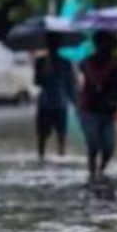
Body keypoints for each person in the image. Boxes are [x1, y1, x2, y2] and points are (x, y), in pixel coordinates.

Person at [79, 31, 117, 183]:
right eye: (104, 44)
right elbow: (95, 81)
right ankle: (92, 173)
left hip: (107, 111)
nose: (107, 48)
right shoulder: (87, 62)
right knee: (93, 144)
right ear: (97, 45)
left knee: (109, 147)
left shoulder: (116, 64)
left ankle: (100, 170)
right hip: (89, 110)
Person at [33, 33, 78, 162]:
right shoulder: (64, 62)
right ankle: (58, 158)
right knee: (59, 136)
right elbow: (71, 85)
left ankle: (43, 158)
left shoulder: (41, 61)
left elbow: (36, 81)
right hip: (58, 101)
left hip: (48, 101)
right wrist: (75, 103)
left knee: (44, 137)